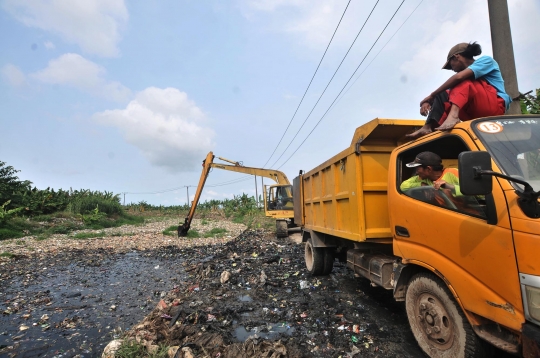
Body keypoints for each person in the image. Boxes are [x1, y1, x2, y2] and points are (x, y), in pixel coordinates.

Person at [407, 42, 511, 139]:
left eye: (451, 64)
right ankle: (428, 127)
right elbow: (444, 93)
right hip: (472, 113)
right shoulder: (461, 83)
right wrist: (428, 101)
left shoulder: (486, 61)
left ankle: (453, 116)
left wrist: (431, 95)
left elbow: (459, 77)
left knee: (460, 80)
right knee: (443, 93)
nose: (452, 69)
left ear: (457, 56)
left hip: (494, 107)